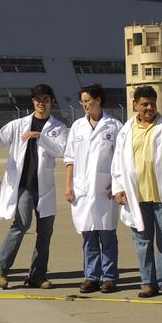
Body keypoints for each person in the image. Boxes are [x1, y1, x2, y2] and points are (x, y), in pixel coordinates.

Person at [0, 83, 68, 290]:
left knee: (45, 232)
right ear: (33, 102)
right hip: (24, 186)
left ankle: (37, 275)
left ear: (51, 101)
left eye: (45, 99)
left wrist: (40, 136)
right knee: (22, 224)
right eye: (37, 99)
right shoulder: (19, 124)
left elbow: (62, 150)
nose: (41, 103)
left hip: (44, 188)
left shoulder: (58, 128)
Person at [111, 86, 162, 298]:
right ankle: (147, 282)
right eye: (144, 104)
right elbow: (118, 161)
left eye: (152, 104)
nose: (149, 108)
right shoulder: (126, 131)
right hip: (137, 197)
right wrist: (118, 188)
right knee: (142, 242)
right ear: (135, 105)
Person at [64, 83, 121, 293]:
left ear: (98, 100)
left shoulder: (114, 126)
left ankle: (109, 277)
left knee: (107, 235)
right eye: (83, 102)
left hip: (105, 189)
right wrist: (68, 185)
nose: (85, 105)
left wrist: (117, 183)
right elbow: (69, 158)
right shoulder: (77, 126)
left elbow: (122, 158)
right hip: (82, 188)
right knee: (88, 235)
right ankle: (91, 276)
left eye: (88, 101)